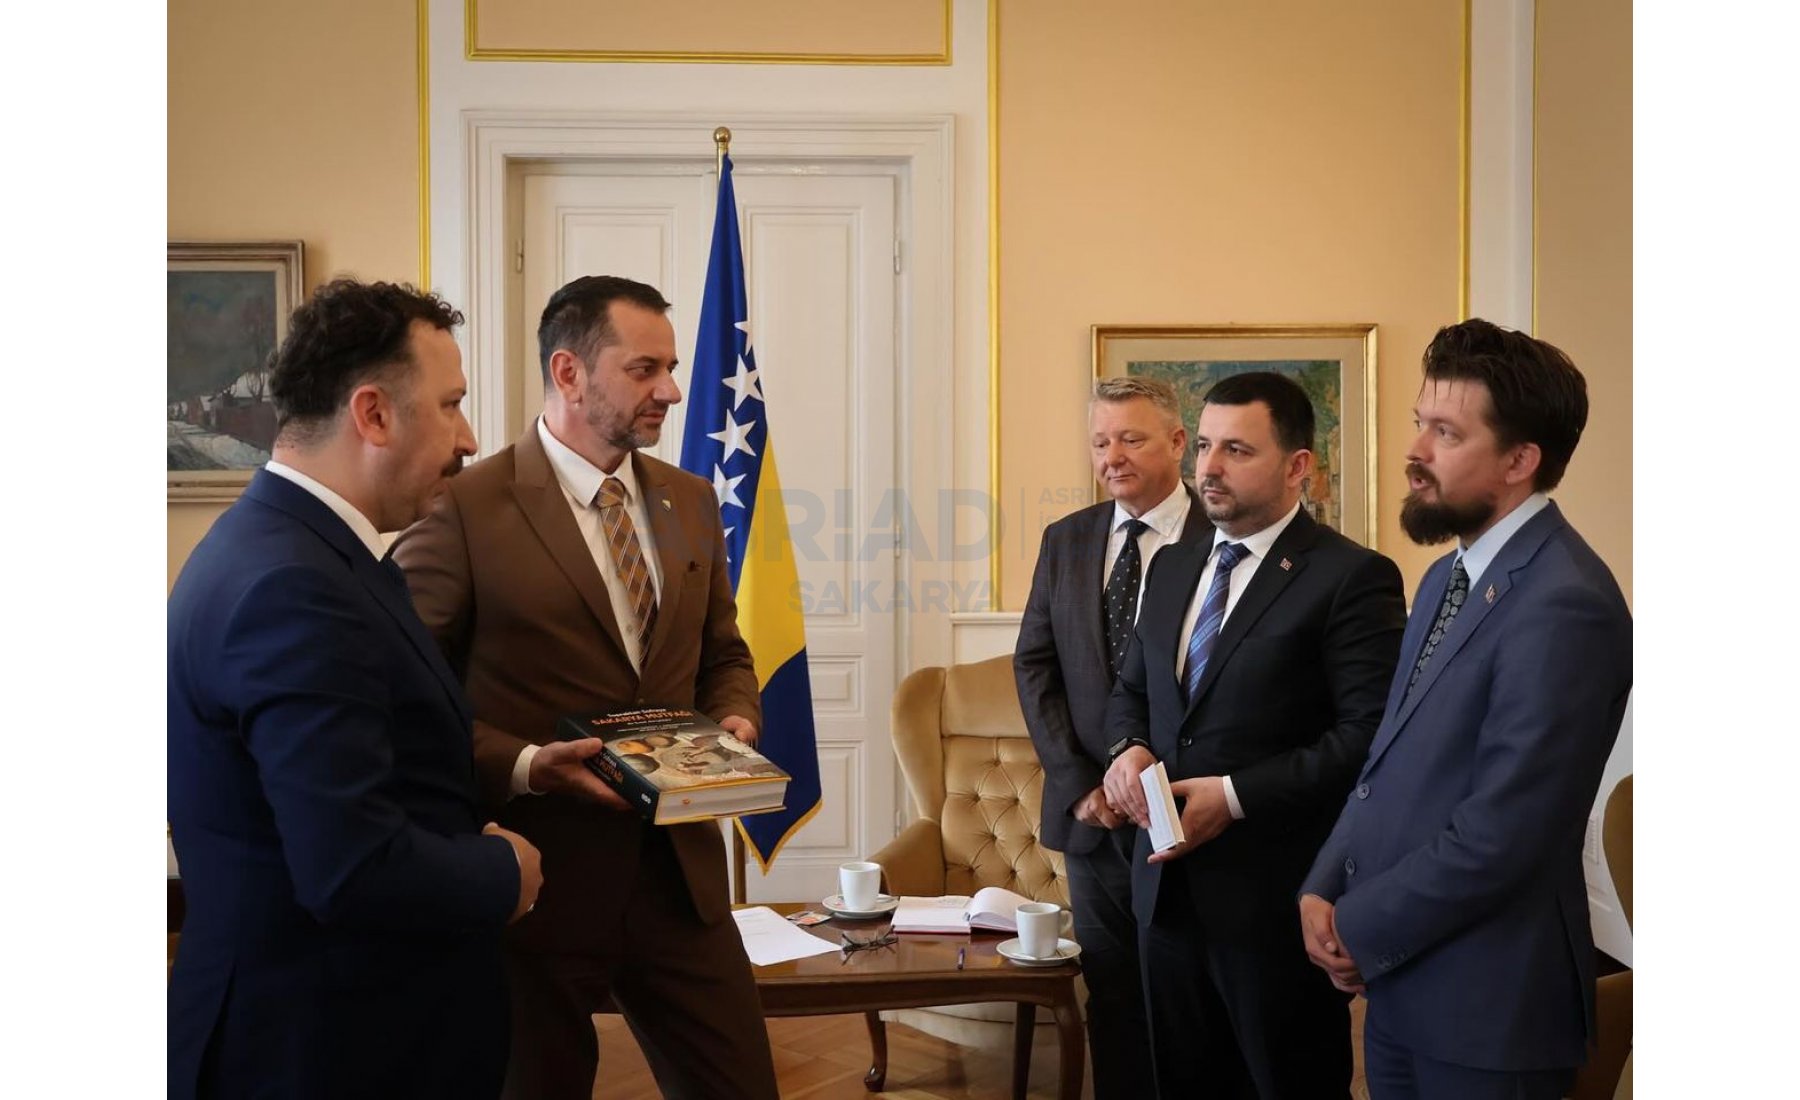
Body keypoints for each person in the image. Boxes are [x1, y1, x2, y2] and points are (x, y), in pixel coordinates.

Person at [392, 274, 780, 1100]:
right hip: (537, 884)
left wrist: (734, 714)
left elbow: (723, 651)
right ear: (568, 373)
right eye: (644, 370)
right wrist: (525, 763)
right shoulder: (464, 507)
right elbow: (406, 698)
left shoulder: (691, 501)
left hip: (680, 882)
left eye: (670, 369)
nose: (671, 391)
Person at [167, 279, 543, 1099]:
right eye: (451, 405)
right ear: (373, 414)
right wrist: (501, 871)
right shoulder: (292, 585)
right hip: (320, 1049)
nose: (469, 438)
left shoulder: (292, 547)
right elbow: (352, 868)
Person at [1298, 320, 1632, 1099]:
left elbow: (1505, 832)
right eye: (1421, 423)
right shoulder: (1445, 579)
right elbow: (1385, 764)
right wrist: (1324, 884)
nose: (1416, 450)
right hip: (1404, 991)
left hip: (1491, 1011)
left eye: (1446, 433)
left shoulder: (1567, 602)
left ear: (1520, 461)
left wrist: (1359, 925)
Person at [1103, 371, 1406, 1098]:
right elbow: (1133, 690)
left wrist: (1235, 797)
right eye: (1205, 446)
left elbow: (1368, 738)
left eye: (1236, 450)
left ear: (1298, 466)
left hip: (1277, 906)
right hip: (1163, 895)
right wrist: (1127, 749)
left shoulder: (1351, 577)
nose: (1208, 467)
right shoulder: (1172, 564)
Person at [1013, 376, 1206, 1098]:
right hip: (1092, 820)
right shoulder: (1067, 539)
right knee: (1114, 997)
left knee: (1191, 1000)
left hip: (1188, 816)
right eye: (1100, 442)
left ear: (1177, 442)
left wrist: (1157, 788)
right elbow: (1034, 664)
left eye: (1131, 438)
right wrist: (1080, 785)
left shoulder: (1222, 539)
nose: (1112, 457)